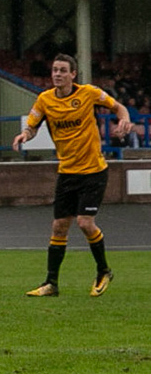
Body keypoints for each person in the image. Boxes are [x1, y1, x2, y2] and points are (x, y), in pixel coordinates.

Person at [13, 54, 132, 297]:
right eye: (54, 70)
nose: (57, 74)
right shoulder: (45, 99)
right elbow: (33, 125)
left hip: (93, 171)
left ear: (73, 74)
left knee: (85, 222)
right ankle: (51, 284)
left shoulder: (88, 93)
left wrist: (125, 119)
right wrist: (25, 135)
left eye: (62, 70)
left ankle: (103, 271)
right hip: (67, 172)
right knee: (59, 227)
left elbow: (118, 107)